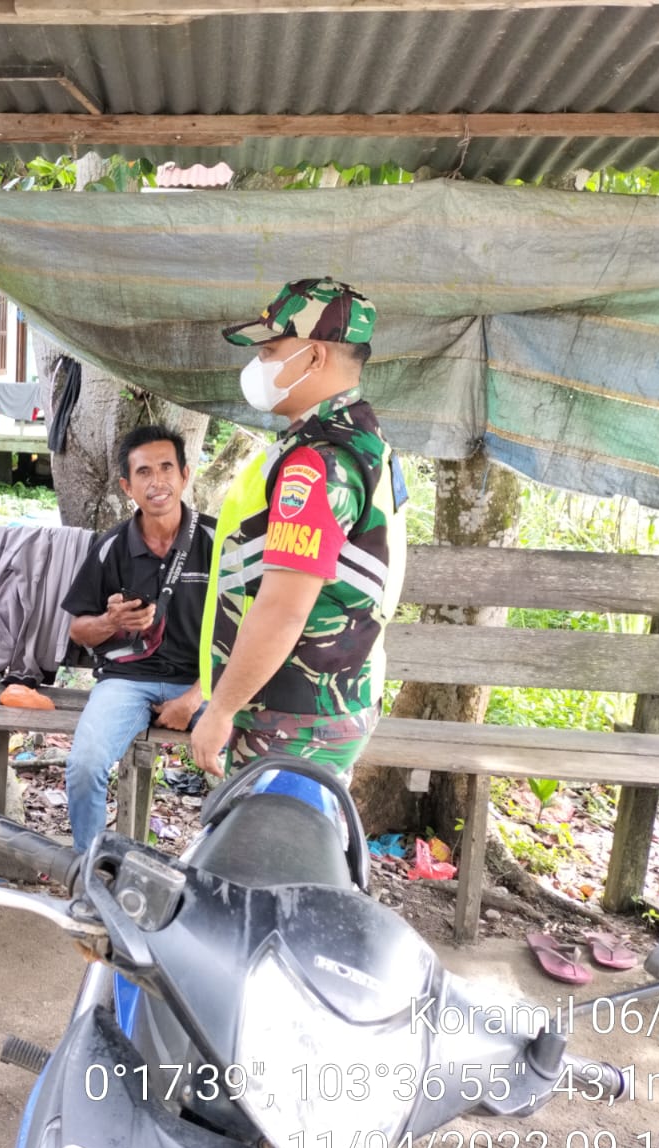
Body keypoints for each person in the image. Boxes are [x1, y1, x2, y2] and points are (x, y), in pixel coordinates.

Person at [190, 277, 408, 780]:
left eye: (270, 351)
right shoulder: (362, 440)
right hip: (323, 699)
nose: (258, 366)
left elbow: (284, 608)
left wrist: (221, 709)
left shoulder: (318, 464)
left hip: (294, 717)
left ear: (313, 358)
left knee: (264, 852)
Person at [60, 424, 216, 848]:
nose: (158, 480)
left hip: (205, 683)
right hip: (127, 681)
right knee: (84, 764)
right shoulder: (111, 547)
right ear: (128, 487)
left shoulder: (218, 543)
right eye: (144, 472)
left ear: (186, 474)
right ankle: (90, 871)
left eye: (167, 467)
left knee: (238, 765)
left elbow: (246, 634)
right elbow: (78, 629)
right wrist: (111, 623)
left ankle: (216, 875)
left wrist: (194, 698)